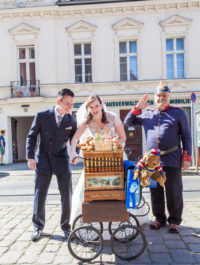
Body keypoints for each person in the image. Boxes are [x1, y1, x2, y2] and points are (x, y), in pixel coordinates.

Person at [70, 94, 149, 226]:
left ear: (101, 105)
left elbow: (123, 138)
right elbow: (75, 139)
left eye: (96, 106)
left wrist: (113, 144)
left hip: (115, 156)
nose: (94, 109)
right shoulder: (87, 121)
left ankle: (121, 218)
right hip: (96, 159)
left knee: (118, 187)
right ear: (88, 108)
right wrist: (73, 152)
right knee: (91, 187)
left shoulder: (112, 117)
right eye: (91, 107)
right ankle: (92, 218)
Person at [124, 83, 192, 234]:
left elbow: (186, 136)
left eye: (164, 96)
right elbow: (128, 122)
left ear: (169, 97)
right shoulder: (147, 113)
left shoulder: (179, 113)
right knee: (155, 191)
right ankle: (159, 219)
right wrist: (137, 108)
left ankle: (174, 221)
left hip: (172, 159)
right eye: (159, 96)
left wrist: (187, 157)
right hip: (151, 163)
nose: (161, 98)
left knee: (174, 191)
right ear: (155, 98)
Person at [26, 88, 77, 242]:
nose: (70, 107)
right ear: (59, 101)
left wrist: (75, 154)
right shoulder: (42, 116)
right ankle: (38, 227)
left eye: (71, 104)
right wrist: (30, 157)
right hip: (43, 160)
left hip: (61, 160)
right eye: (67, 104)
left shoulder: (71, 121)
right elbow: (32, 136)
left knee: (66, 196)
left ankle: (66, 227)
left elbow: (75, 141)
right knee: (40, 195)